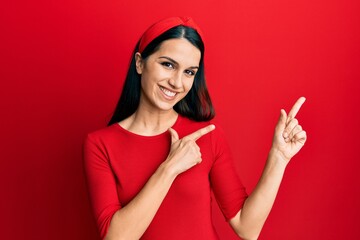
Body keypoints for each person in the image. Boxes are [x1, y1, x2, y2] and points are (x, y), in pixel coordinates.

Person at [83, 16, 307, 240]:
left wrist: (278, 157)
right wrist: (169, 168)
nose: (177, 83)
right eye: (168, 65)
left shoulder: (208, 136)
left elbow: (247, 228)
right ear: (140, 63)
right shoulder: (100, 144)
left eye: (189, 72)